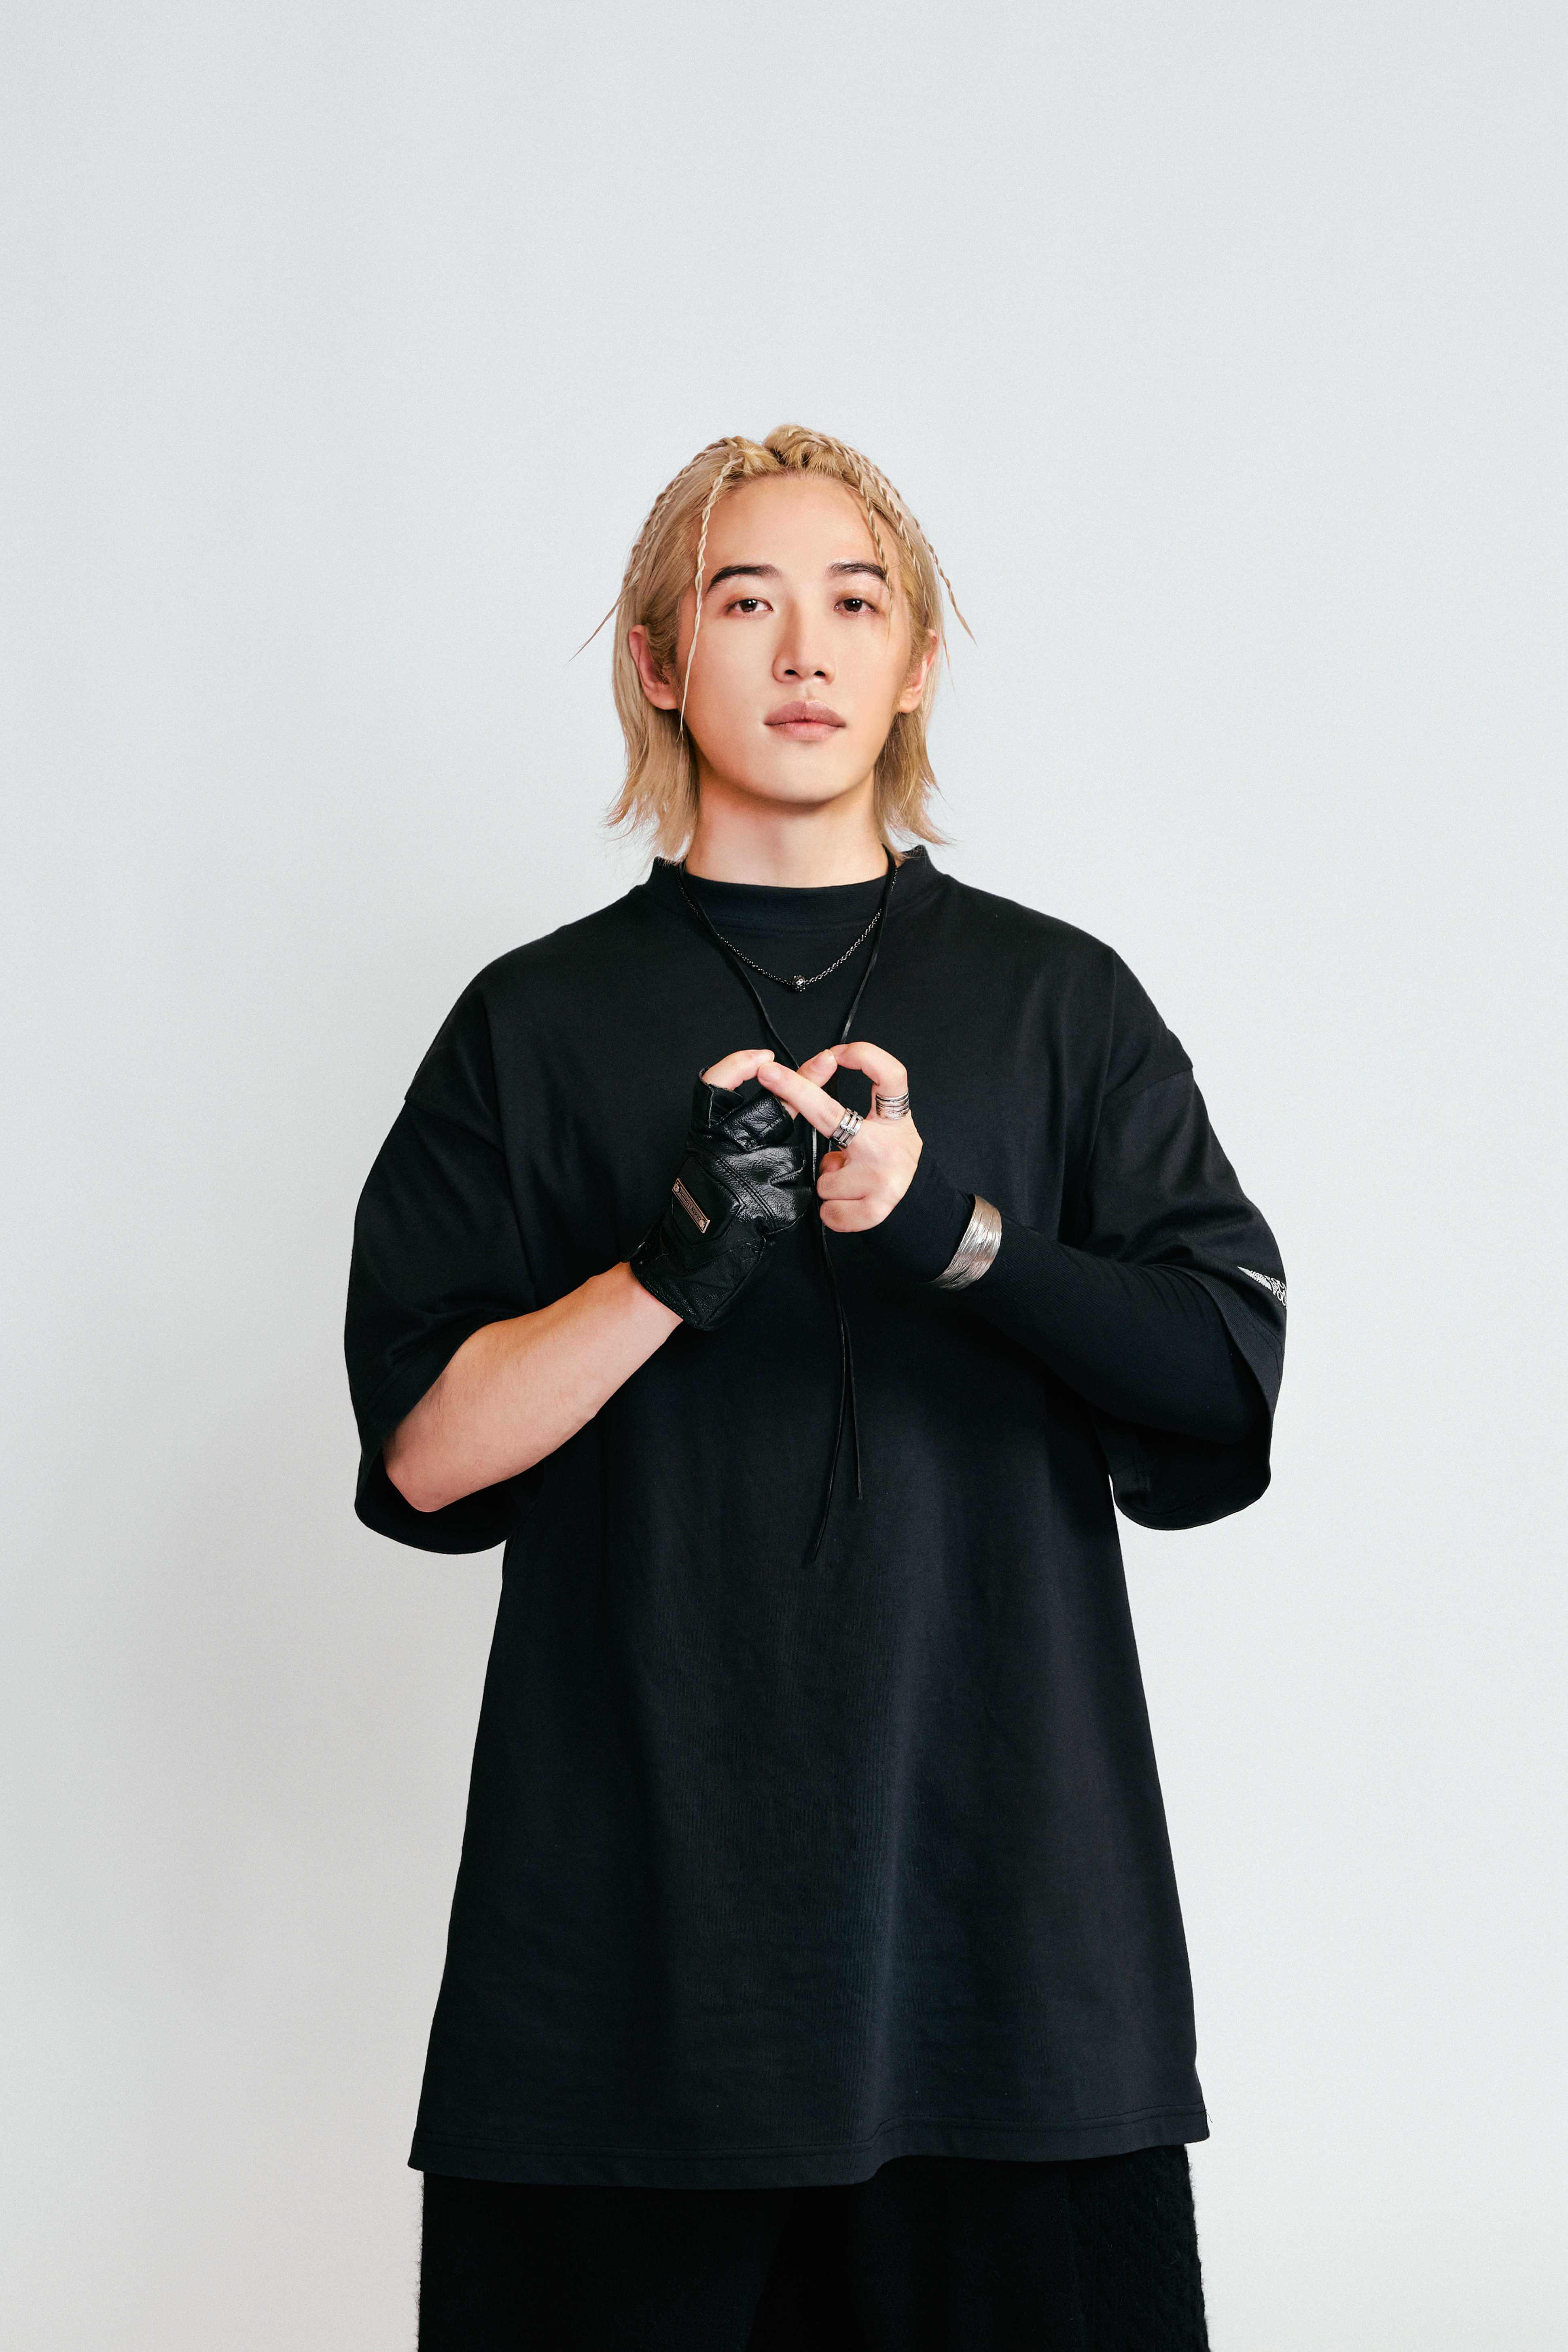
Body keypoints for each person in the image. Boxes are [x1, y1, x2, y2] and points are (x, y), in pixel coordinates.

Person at [344, 426, 1287, 2350]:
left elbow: (1225, 1377)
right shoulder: (532, 1025)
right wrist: (667, 1270)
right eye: (744, 599)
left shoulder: (1061, 1003)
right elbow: (425, 1452)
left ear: (916, 657)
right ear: (657, 658)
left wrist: (956, 1231)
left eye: (855, 601)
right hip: (618, 2004)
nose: (803, 648)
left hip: (1012, 1982)